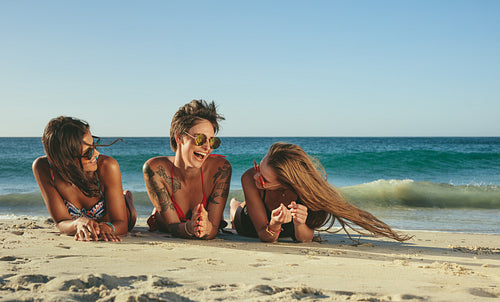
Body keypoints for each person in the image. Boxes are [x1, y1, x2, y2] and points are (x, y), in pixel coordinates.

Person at [230, 142, 412, 243]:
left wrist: (300, 223)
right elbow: (264, 235)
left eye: (264, 179)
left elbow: (304, 238)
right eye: (258, 167)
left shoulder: (304, 193)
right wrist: (275, 224)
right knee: (238, 211)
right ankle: (235, 205)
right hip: (247, 223)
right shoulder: (249, 177)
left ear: (285, 184)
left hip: (283, 227)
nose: (256, 177)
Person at [32, 116, 136, 242]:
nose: (97, 154)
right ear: (66, 160)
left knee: (130, 212)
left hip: (123, 216)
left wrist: (109, 228)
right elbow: (61, 222)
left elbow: (122, 225)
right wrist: (77, 224)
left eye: (94, 146)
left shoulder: (107, 166)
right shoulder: (44, 168)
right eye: (89, 152)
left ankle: (126, 197)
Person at [143, 100, 232, 240]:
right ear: (179, 137)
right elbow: (172, 227)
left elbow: (213, 228)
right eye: (200, 139)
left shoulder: (221, 169)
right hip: (165, 220)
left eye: (213, 141)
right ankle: (129, 198)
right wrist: (189, 228)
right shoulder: (155, 169)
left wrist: (207, 228)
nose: (208, 147)